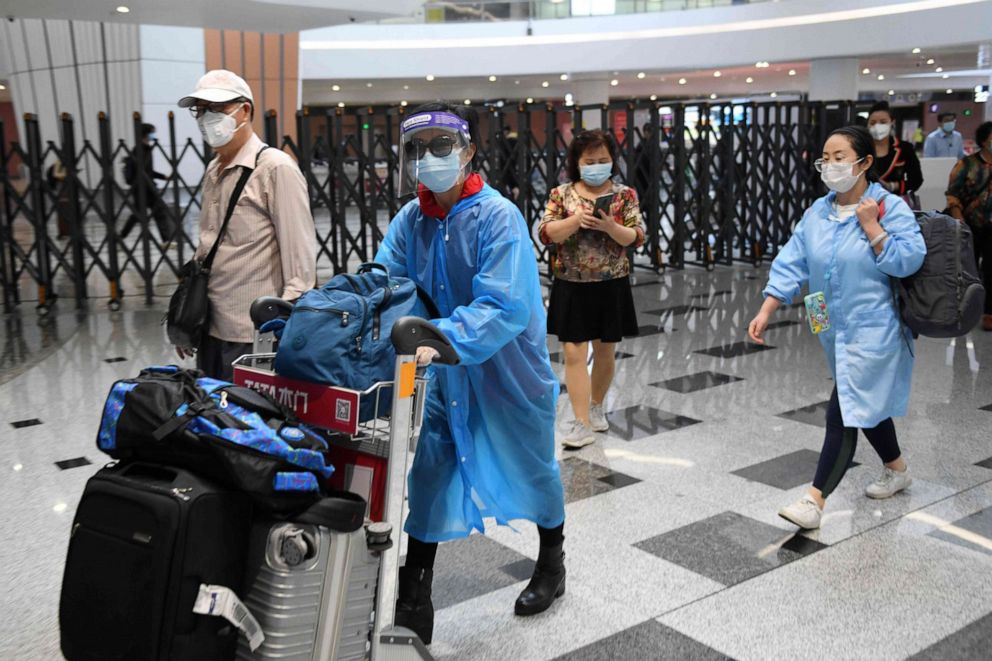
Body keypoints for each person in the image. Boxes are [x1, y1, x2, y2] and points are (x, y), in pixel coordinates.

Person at [374, 102, 567, 644]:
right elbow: (385, 282)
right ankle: (415, 591)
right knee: (431, 469)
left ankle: (552, 560)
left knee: (532, 465)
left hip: (508, 369)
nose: (429, 159)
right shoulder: (410, 221)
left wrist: (442, 339)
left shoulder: (498, 217)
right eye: (418, 149)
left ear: (467, 151)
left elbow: (505, 307)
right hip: (445, 374)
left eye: (442, 146)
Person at [748, 125, 927, 530]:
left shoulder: (888, 206)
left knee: (843, 408)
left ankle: (815, 500)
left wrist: (873, 229)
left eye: (839, 157)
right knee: (861, 398)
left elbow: (909, 260)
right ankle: (897, 469)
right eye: (825, 158)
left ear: (864, 163)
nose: (830, 165)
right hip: (827, 321)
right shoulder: (818, 211)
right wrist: (767, 307)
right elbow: (792, 260)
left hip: (874, 327)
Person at [174, 70, 316, 381]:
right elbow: (208, 248)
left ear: (245, 110)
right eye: (200, 109)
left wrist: (287, 333)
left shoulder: (275, 168)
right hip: (210, 328)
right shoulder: (214, 169)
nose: (207, 118)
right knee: (215, 422)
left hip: (253, 335)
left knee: (249, 423)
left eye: (218, 108)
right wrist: (188, 318)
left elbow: (300, 264)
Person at [538, 129, 645, 449]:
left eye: (603, 160)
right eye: (589, 161)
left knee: (605, 350)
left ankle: (597, 406)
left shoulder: (625, 195)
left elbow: (637, 237)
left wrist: (611, 227)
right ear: (576, 162)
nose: (597, 165)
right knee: (572, 352)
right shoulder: (561, 194)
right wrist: (576, 221)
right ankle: (580, 422)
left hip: (611, 284)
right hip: (571, 284)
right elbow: (546, 233)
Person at [946, 121, 992, 331]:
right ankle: (963, 308)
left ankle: (989, 312)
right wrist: (958, 218)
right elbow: (953, 193)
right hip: (970, 223)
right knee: (967, 267)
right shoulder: (966, 165)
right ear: (984, 140)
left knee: (991, 268)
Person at [120, 123, 173, 242]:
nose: (153, 135)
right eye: (152, 132)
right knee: (143, 214)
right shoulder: (140, 150)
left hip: (146, 187)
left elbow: (147, 171)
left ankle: (166, 240)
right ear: (146, 134)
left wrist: (163, 177)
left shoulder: (146, 149)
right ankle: (166, 240)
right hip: (143, 188)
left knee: (153, 213)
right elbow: (142, 172)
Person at [867, 101, 923, 208]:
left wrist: (892, 186)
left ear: (892, 122)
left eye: (883, 122)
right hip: (866, 203)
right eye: (873, 123)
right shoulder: (861, 148)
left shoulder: (905, 148)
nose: (877, 126)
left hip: (895, 203)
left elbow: (916, 180)